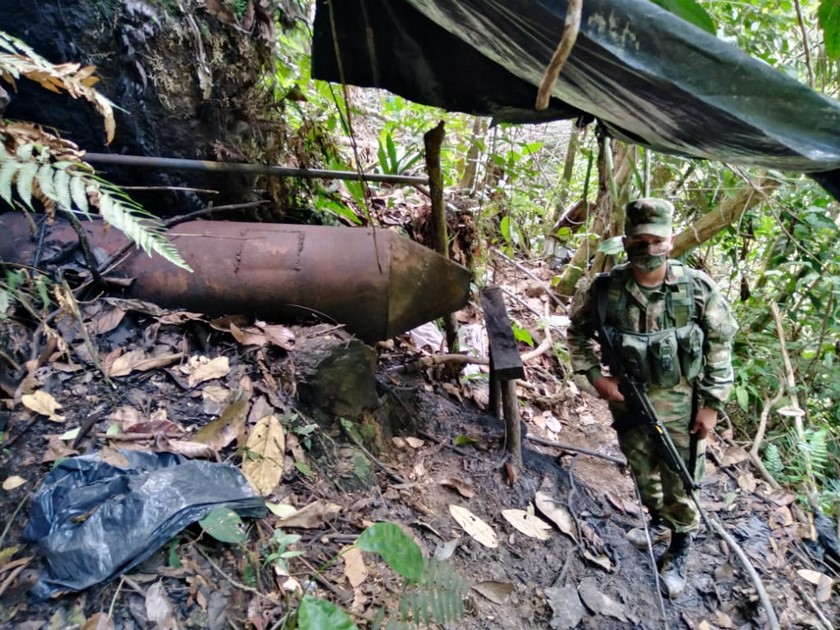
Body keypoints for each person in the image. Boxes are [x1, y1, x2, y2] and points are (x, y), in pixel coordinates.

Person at [566, 198, 737, 597]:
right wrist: (596, 378)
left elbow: (720, 347)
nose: (648, 250)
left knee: (681, 478)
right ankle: (658, 520)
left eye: (656, 240)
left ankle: (681, 543)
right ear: (625, 243)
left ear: (671, 240)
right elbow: (576, 334)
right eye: (639, 241)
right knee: (643, 472)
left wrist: (711, 406)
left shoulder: (696, 289)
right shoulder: (605, 290)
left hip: (682, 405)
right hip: (628, 404)